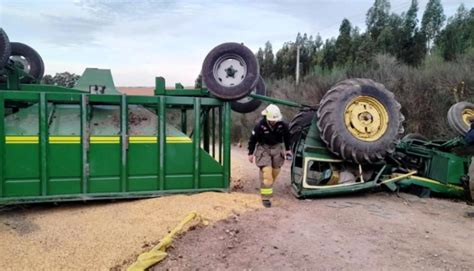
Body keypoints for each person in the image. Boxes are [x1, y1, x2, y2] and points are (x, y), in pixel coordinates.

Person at [248, 104, 292, 208]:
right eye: (271, 119)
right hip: (264, 148)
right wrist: (250, 153)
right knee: (267, 174)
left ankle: (266, 184)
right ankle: (265, 197)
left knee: (275, 172)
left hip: (277, 148)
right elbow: (252, 140)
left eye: (275, 119)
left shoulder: (282, 125)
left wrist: (288, 149)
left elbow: (287, 137)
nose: (273, 121)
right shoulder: (260, 125)